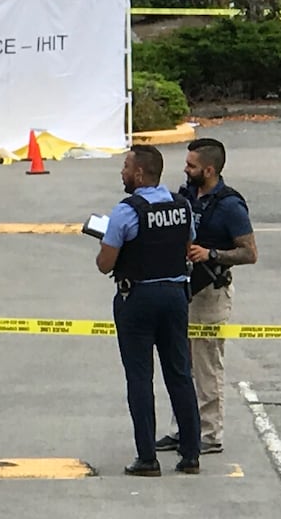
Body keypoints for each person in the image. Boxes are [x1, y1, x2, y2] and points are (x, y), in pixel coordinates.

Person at [95, 144, 202, 476]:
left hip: (137, 298)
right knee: (180, 374)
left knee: (140, 378)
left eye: (126, 167)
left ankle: (147, 458)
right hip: (175, 295)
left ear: (140, 173)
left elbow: (105, 263)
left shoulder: (128, 211)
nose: (123, 172)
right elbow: (187, 246)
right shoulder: (182, 206)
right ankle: (191, 455)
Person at [156, 138, 257, 456]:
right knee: (181, 363)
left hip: (211, 293)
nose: (185, 170)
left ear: (209, 170)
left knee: (207, 365)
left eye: (191, 166)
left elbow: (249, 253)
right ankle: (182, 428)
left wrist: (211, 253)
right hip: (183, 289)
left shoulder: (230, 205)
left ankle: (210, 434)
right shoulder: (186, 195)